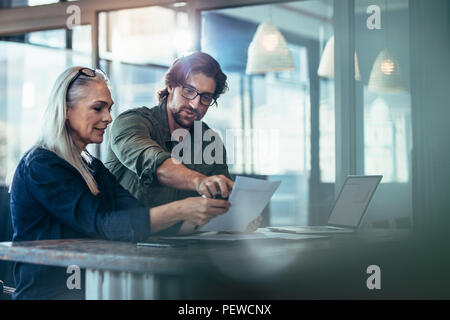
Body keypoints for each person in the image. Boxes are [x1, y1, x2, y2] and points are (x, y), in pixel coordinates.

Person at [9, 66, 231, 300]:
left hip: (90, 291)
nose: (108, 118)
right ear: (65, 110)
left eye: (109, 108)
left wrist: (202, 216)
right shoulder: (42, 165)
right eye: (97, 108)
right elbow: (105, 224)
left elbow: (136, 213)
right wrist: (183, 209)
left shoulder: (91, 166)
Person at [105, 52, 262, 234]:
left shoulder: (208, 140)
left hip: (181, 247)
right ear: (171, 86)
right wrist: (199, 181)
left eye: (205, 98)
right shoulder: (132, 122)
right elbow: (154, 163)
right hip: (123, 245)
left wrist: (236, 219)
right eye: (189, 91)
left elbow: (221, 199)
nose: (195, 104)